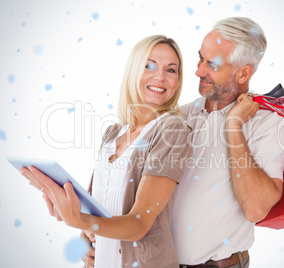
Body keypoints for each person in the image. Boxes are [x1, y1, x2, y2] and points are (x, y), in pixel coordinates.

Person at [20, 35, 192, 268]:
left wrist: (82, 221)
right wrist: (84, 233)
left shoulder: (171, 130)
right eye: (149, 65)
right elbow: (98, 211)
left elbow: (139, 225)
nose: (160, 76)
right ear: (133, 70)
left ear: (178, 80)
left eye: (171, 70)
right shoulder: (113, 134)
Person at [171, 17, 284, 267]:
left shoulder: (267, 124)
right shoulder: (178, 116)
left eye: (212, 64)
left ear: (243, 72)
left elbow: (256, 209)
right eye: (200, 58)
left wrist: (234, 125)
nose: (198, 71)